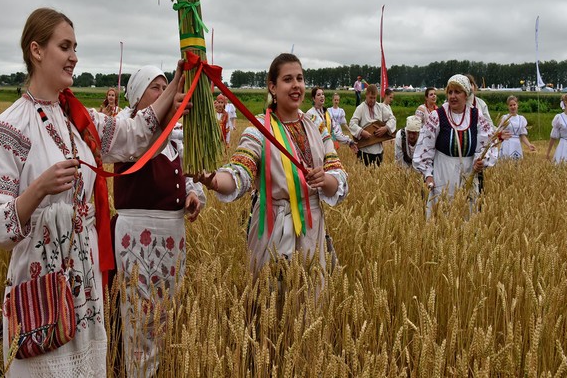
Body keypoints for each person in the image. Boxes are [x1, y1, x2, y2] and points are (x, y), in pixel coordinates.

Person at [0, 8, 186, 376]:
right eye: (65, 46)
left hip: (85, 279)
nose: (74, 56)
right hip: (40, 280)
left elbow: (133, 135)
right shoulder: (10, 126)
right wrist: (39, 189)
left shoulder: (79, 119)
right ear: (36, 51)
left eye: (75, 47)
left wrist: (178, 80)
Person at [198, 53, 348, 275]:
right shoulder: (259, 129)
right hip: (272, 229)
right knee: (270, 302)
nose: (296, 85)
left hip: (312, 227)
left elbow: (338, 174)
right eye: (288, 79)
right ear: (273, 87)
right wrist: (213, 180)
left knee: (310, 302)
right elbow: (241, 170)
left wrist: (325, 179)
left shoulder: (317, 126)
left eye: (300, 78)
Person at [113, 66, 205, 377]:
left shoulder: (174, 139)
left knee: (166, 311)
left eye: (166, 86)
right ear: (139, 99)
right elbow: (148, 149)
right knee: (141, 317)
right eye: (157, 88)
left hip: (172, 235)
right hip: (139, 236)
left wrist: (192, 195)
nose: (165, 92)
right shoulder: (127, 132)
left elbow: (187, 176)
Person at [413, 74, 496, 220]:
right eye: (450, 92)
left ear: (466, 95)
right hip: (443, 173)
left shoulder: (477, 116)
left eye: (457, 92)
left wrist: (481, 161)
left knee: (467, 216)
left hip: (468, 173)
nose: (453, 96)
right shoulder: (437, 116)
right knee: (442, 215)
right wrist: (428, 174)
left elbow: (487, 142)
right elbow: (425, 146)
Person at [348, 84, 396, 166]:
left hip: (378, 150)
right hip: (364, 150)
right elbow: (352, 124)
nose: (373, 100)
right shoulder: (360, 108)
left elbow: (392, 119)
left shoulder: (380, 107)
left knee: (377, 176)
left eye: (374, 98)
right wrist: (361, 132)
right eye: (371, 98)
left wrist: (385, 128)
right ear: (366, 95)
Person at [498, 96, 535, 160]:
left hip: (516, 144)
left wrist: (529, 145)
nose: (513, 107)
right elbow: (498, 133)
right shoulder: (504, 118)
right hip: (507, 143)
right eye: (510, 105)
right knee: (505, 164)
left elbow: (522, 135)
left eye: (514, 105)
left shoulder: (521, 119)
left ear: (517, 105)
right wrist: (501, 135)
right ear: (508, 106)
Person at [546, 93, 567, 163]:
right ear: (565, 102)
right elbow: (553, 137)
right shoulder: (559, 117)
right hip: (563, 146)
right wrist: (548, 153)